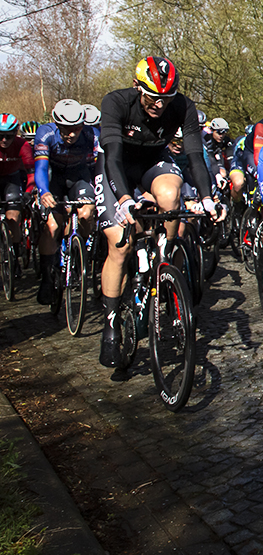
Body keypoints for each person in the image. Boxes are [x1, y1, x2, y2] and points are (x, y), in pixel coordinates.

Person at [96, 56, 221, 368]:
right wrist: (125, 199)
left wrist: (207, 199)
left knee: (170, 195)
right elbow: (111, 158)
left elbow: (194, 157)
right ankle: (110, 323)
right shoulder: (116, 102)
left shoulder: (183, 107)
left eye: (165, 99)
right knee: (119, 244)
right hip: (118, 165)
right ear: (138, 88)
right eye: (152, 98)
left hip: (154, 162)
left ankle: (164, 263)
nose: (158, 106)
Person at [33, 99, 101, 304]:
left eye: (76, 129)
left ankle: (80, 248)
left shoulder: (91, 134)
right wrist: (44, 192)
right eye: (65, 129)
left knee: (87, 212)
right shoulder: (45, 134)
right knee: (52, 227)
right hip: (54, 179)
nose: (71, 134)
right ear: (56, 124)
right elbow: (41, 169)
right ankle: (46, 278)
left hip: (78, 177)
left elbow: (100, 167)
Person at [0, 114, 34, 268]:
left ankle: (14, 257)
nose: (4, 140)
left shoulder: (22, 145)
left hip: (11, 180)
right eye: (0, 136)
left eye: (9, 136)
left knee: (14, 217)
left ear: (16, 133)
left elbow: (31, 172)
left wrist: (28, 191)